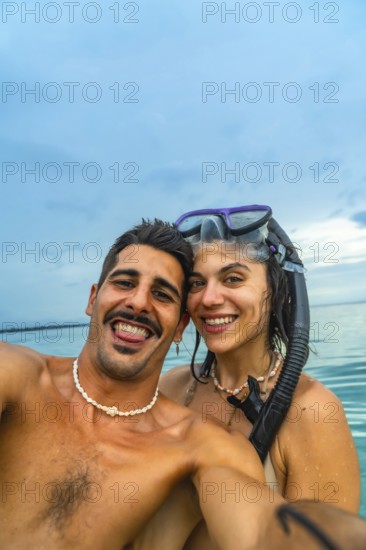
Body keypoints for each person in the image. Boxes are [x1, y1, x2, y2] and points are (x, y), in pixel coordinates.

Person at [0, 218, 288, 549]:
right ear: (93, 298)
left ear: (181, 326)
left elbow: (261, 529)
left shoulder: (201, 445)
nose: (138, 302)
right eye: (124, 283)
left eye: (162, 294)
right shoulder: (16, 375)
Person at [160, 205, 361, 545]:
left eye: (233, 278)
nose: (209, 298)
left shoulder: (311, 412)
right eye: (197, 283)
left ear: (276, 291)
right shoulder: (173, 387)